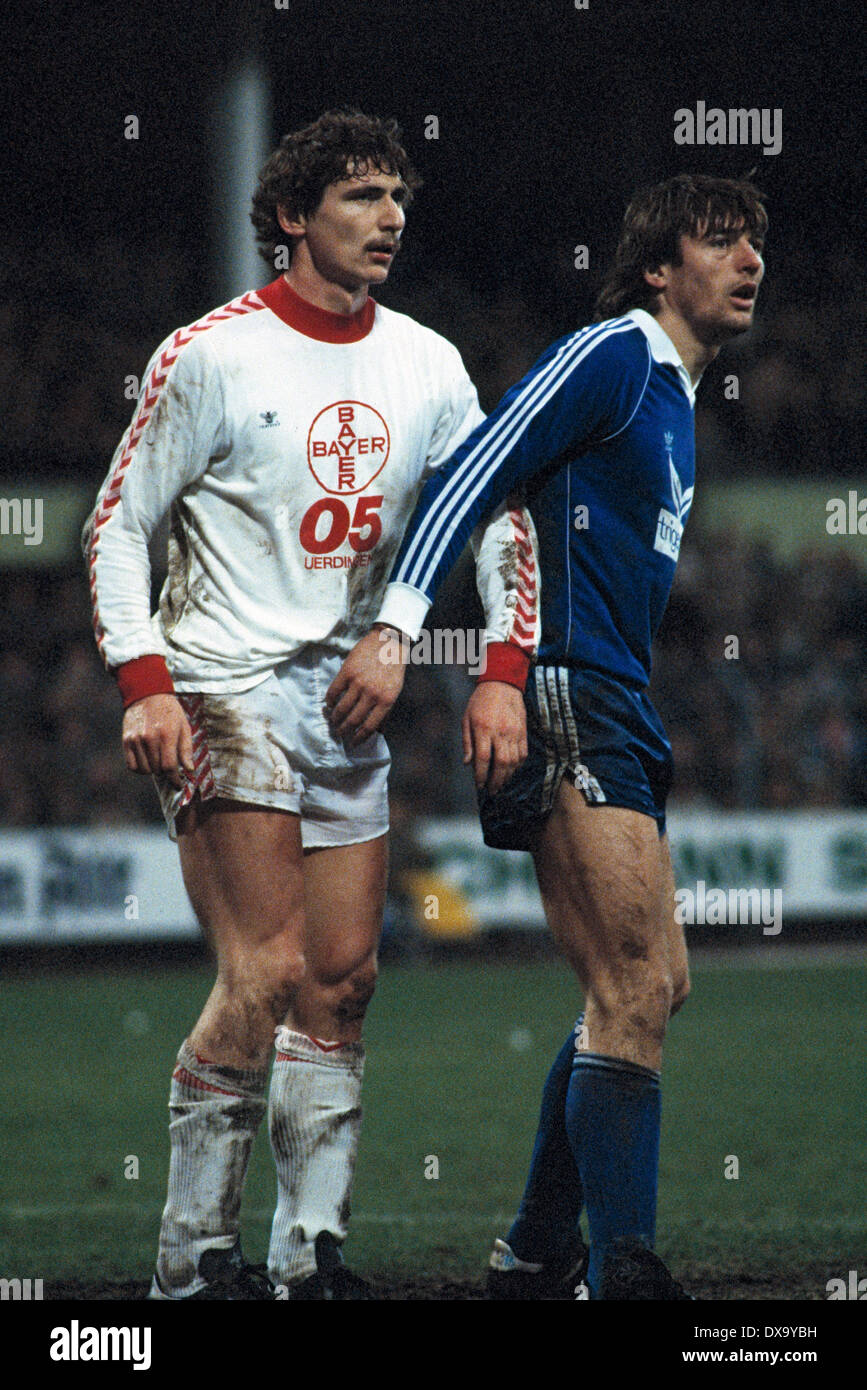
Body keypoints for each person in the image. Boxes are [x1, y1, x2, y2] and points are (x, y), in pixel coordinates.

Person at [83, 109, 538, 1300]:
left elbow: (496, 517)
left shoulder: (428, 363)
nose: (390, 218)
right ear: (292, 215)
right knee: (270, 969)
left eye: (397, 197)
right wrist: (145, 681)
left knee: (343, 981)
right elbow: (116, 526)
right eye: (360, 197)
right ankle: (191, 1265)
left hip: (348, 699)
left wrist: (500, 668)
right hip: (225, 683)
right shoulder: (211, 354)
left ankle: (309, 1252)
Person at [327, 173, 768, 1300]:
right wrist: (409, 631)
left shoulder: (674, 399)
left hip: (619, 694)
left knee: (656, 981)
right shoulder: (614, 354)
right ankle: (618, 1272)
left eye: (756, 243)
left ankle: (532, 1251)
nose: (750, 261)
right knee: (629, 982)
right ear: (660, 268)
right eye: (721, 243)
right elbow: (478, 468)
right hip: (568, 689)